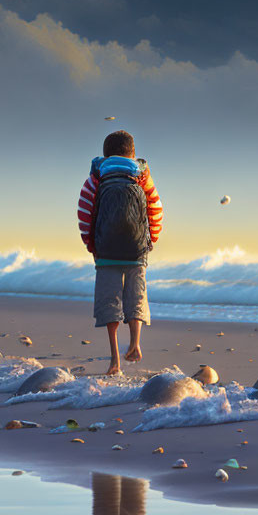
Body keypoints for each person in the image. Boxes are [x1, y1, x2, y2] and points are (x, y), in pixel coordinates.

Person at [77, 130, 163, 374]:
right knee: (136, 296)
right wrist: (150, 241)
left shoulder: (96, 177)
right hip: (136, 251)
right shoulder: (142, 176)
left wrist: (90, 244)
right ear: (133, 154)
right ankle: (135, 344)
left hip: (105, 251)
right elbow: (155, 209)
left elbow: (84, 212)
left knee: (110, 301)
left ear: (105, 155)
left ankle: (115, 359)